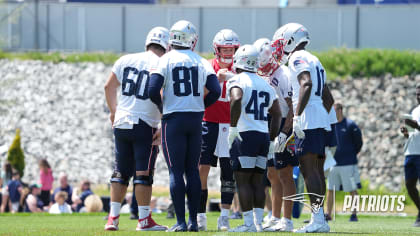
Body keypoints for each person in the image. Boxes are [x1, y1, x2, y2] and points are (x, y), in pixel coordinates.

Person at [148, 20, 221, 232]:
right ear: (191, 39)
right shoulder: (201, 61)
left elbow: (153, 90)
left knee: (175, 172)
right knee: (193, 172)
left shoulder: (165, 60)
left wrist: (164, 108)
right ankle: (193, 222)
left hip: (173, 120)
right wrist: (200, 106)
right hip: (196, 119)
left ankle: (180, 221)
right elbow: (215, 90)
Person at [103, 26, 170, 231]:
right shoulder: (164, 63)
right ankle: (144, 220)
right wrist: (163, 122)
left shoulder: (126, 59)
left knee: (121, 171)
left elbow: (108, 87)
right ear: (166, 46)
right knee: (143, 173)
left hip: (122, 120)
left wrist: (114, 112)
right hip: (145, 122)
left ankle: (112, 218)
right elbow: (161, 94)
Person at [271, 22, 335, 233]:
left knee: (309, 171)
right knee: (317, 170)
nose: (280, 48)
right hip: (319, 117)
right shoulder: (315, 58)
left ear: (290, 40)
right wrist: (321, 119)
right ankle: (320, 219)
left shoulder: (296, 58)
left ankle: (318, 220)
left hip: (307, 117)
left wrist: (298, 116)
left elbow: (305, 84)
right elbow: (328, 98)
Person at [227, 44, 281, 232]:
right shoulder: (265, 83)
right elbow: (277, 113)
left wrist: (233, 127)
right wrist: (273, 139)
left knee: (243, 180)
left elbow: (235, 98)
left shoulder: (237, 80)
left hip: (245, 135)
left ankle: (249, 224)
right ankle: (258, 223)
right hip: (262, 136)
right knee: (258, 181)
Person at [198, 29, 240, 231]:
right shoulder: (207, 65)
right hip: (209, 121)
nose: (227, 52)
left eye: (231, 49)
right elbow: (198, 90)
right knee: (201, 169)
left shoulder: (240, 68)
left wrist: (232, 76)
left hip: (231, 124)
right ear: (216, 49)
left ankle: (224, 215)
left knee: (228, 172)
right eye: (224, 48)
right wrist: (216, 77)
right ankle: (200, 215)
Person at [254, 38, 297, 232]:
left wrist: (285, 133)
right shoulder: (264, 73)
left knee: (286, 174)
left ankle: (287, 220)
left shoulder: (284, 73)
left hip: (284, 125)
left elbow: (293, 107)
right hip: (270, 125)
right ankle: (275, 216)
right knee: (272, 174)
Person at [326, 103, 363, 222]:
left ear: (340, 110)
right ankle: (328, 214)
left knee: (352, 189)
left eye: (334, 111)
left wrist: (350, 154)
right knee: (330, 189)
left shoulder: (350, 125)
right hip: (332, 164)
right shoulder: (330, 125)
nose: (332, 114)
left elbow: (359, 143)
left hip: (348, 163)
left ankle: (354, 214)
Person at [400, 84, 420, 227]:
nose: (418, 96)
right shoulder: (414, 110)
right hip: (411, 153)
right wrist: (406, 132)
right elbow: (412, 134)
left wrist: (415, 125)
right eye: (417, 94)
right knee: (409, 185)